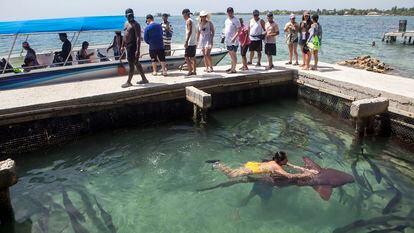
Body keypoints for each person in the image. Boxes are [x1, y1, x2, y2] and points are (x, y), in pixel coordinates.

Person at [212, 151, 318, 179]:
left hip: (254, 164)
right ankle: (218, 164)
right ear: (281, 161)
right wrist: (307, 174)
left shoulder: (275, 161)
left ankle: (219, 164)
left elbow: (292, 166)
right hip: (253, 170)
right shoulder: (277, 167)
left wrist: (302, 168)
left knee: (234, 171)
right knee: (231, 175)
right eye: (286, 158)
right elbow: (290, 176)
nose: (288, 159)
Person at [121, 8, 149, 88]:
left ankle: (129, 82)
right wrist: (122, 45)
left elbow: (138, 38)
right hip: (128, 46)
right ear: (126, 16)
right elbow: (125, 35)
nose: (130, 17)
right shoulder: (126, 23)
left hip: (133, 46)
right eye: (129, 15)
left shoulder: (136, 24)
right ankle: (144, 79)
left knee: (131, 65)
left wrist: (137, 50)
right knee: (136, 62)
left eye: (132, 15)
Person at [224, 7, 241, 74]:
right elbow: (226, 29)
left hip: (234, 41)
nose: (230, 13)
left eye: (231, 12)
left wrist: (234, 37)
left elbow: (239, 30)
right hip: (227, 40)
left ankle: (233, 69)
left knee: (233, 54)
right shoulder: (226, 20)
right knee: (231, 55)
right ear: (227, 12)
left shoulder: (236, 20)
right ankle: (232, 67)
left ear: (233, 12)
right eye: (228, 12)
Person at [182, 9, 197, 76]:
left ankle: (190, 70)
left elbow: (189, 31)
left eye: (183, 15)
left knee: (186, 57)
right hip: (193, 41)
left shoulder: (188, 21)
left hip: (190, 42)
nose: (183, 16)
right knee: (193, 57)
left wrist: (186, 41)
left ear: (185, 14)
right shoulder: (192, 21)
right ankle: (194, 70)